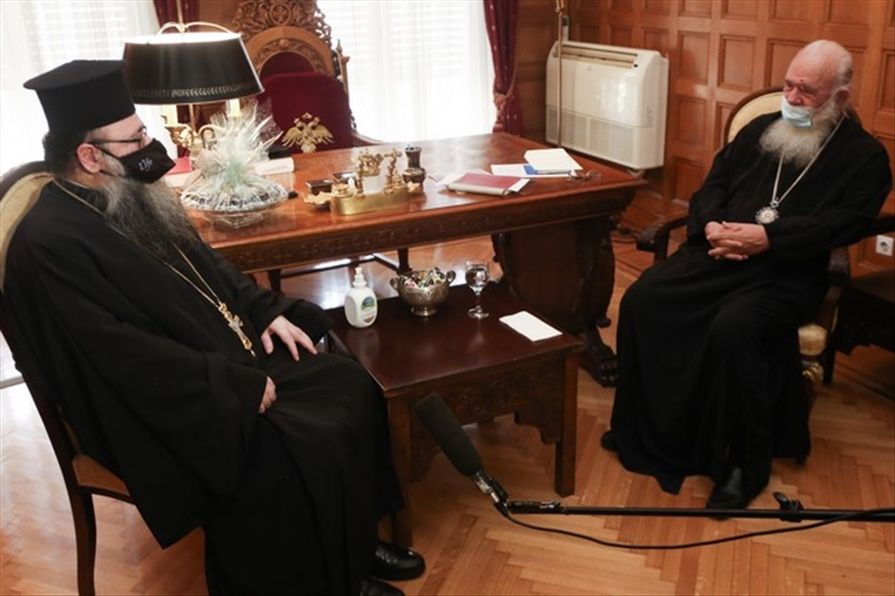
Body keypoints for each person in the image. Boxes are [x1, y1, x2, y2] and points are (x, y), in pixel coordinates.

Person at [2, 60, 425, 595]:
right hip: (159, 401)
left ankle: (354, 544)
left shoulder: (128, 193)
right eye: (135, 139)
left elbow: (207, 265)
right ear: (89, 157)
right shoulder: (50, 243)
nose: (150, 148)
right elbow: (115, 354)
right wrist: (231, 386)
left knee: (348, 381)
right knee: (280, 449)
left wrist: (264, 311)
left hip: (218, 357)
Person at [603, 40, 892, 509]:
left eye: (807, 92)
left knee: (734, 328)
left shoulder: (865, 159)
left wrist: (768, 239)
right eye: (789, 85)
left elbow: (843, 224)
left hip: (787, 272)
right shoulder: (761, 129)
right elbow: (713, 185)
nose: (792, 98)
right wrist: (710, 226)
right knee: (643, 300)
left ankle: (742, 464)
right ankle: (642, 427)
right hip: (718, 254)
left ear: (840, 97)